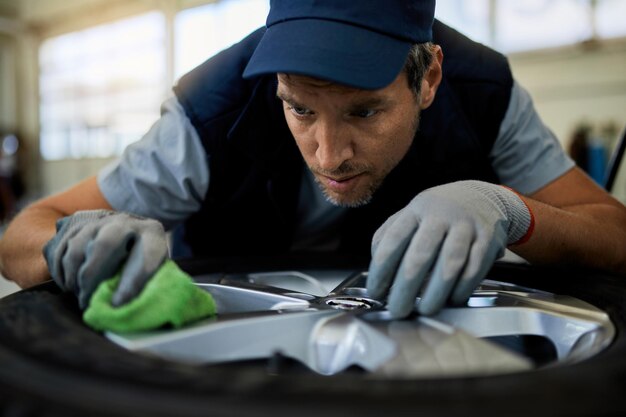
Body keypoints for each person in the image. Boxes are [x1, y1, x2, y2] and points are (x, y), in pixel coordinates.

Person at [1, 0, 625, 318]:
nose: (329, 154)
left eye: (364, 112)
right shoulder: (210, 113)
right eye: (300, 109)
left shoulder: (485, 94)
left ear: (429, 76)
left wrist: (511, 210)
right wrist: (70, 241)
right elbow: (20, 235)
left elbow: (614, 232)